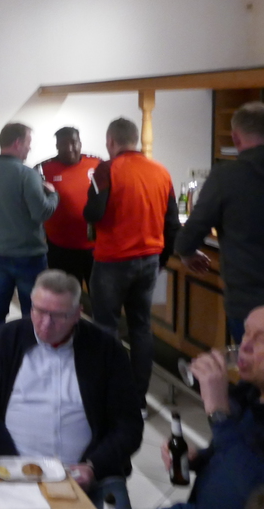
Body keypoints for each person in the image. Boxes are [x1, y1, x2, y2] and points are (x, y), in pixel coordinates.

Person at [0, 270, 143, 509]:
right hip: (13, 469)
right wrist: (12, 462)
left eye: (58, 316)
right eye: (39, 311)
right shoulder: (6, 340)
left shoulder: (106, 350)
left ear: (77, 314)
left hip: (87, 473)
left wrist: (93, 467)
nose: (46, 323)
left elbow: (129, 426)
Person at [175, 102, 264, 344]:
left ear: (235, 138)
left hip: (248, 304)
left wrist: (187, 253)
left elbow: (189, 235)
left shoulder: (225, 177)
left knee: (252, 364)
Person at [85, 117, 178, 414]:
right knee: (141, 328)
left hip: (112, 261)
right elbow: (172, 224)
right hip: (148, 260)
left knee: (106, 328)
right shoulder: (161, 172)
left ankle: (112, 399)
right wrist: (162, 260)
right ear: (135, 140)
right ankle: (138, 402)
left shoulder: (106, 170)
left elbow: (93, 213)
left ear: (111, 141)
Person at [165, 304, 264, 509]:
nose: (244, 346)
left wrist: (219, 413)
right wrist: (198, 458)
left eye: (262, 340)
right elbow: (235, 449)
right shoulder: (252, 390)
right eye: (246, 333)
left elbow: (261, 494)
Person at [0, 123, 58, 338]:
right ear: (18, 143)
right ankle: (30, 350)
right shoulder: (27, 175)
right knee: (34, 309)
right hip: (29, 255)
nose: (30, 148)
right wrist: (53, 195)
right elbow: (41, 212)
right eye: (28, 143)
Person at [36, 127, 101, 289]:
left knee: (99, 295)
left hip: (95, 247)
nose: (69, 148)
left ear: (80, 143)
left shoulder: (97, 164)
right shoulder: (43, 169)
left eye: (73, 142)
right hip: (60, 248)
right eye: (63, 144)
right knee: (64, 296)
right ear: (57, 146)